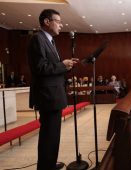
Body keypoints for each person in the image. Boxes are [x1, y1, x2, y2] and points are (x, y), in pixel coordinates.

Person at [28, 9, 79, 170]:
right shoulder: (37, 39)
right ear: (47, 21)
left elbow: (51, 66)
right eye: (58, 21)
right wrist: (61, 65)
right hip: (47, 97)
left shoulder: (49, 40)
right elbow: (40, 68)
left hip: (53, 95)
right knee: (49, 137)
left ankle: (48, 164)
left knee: (53, 136)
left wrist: (66, 65)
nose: (61, 25)